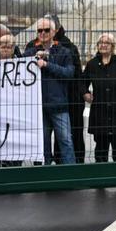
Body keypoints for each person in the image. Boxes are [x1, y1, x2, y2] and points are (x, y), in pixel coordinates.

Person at [24, 18, 76, 164]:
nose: (43, 33)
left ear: (54, 31)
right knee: (43, 144)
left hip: (59, 105)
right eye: (40, 30)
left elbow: (69, 73)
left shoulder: (64, 51)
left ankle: (71, 173)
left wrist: (47, 64)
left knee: (65, 141)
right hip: (38, 106)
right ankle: (44, 172)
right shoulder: (30, 52)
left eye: (46, 30)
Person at [82, 33, 116, 162]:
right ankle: (101, 176)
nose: (103, 45)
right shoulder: (92, 64)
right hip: (100, 113)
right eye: (100, 43)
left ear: (113, 46)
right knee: (101, 149)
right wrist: (85, 93)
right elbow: (81, 82)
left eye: (107, 42)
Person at [52, 16, 87, 164]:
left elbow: (76, 73)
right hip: (50, 97)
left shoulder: (69, 48)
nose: (44, 32)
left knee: (72, 134)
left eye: (49, 29)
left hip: (71, 97)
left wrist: (80, 93)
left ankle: (76, 163)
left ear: (57, 29)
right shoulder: (35, 45)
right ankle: (58, 162)